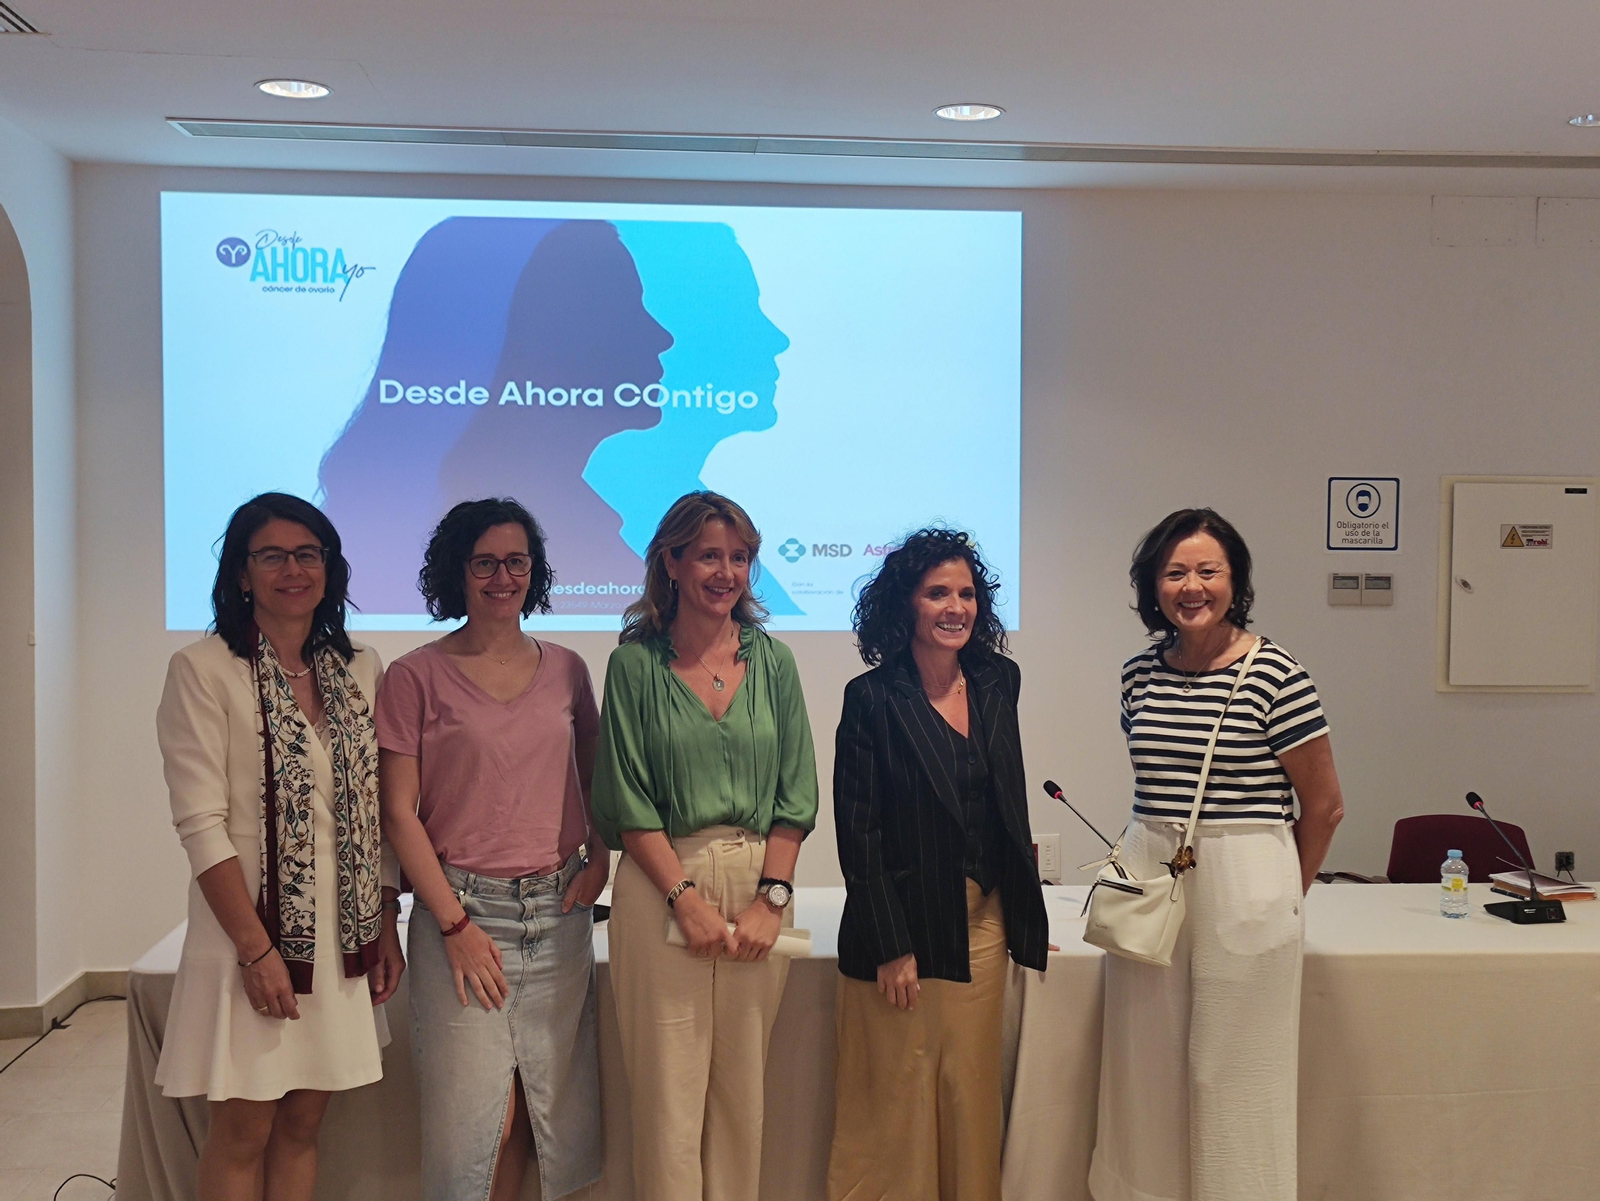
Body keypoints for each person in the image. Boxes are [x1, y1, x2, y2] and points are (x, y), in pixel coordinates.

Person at [1088, 508, 1345, 1201]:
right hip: (1151, 862)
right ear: (1154, 585)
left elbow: (1323, 805)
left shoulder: (1276, 674)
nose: (1191, 586)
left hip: (1248, 871)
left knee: (1234, 1070)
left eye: (1208, 571)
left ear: (1235, 581)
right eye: (1175, 572)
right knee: (1143, 1060)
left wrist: (1286, 888)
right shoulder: (1138, 672)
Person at [155, 492, 403, 1201]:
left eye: (308, 553)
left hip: (341, 940)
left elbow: (380, 812)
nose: (292, 568)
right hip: (251, 939)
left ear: (329, 568)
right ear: (241, 573)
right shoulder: (203, 670)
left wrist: (384, 919)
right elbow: (200, 823)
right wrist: (256, 949)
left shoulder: (360, 666)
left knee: (301, 1123)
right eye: (272, 555)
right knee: (243, 1133)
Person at [376, 497, 609, 1201]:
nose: (502, 576)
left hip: (556, 915)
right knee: (473, 1125)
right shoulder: (414, 675)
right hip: (462, 916)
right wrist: (453, 924)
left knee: (542, 1120)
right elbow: (398, 811)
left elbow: (597, 780)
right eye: (485, 562)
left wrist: (601, 858)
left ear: (533, 572)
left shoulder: (568, 668)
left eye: (516, 561)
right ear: (459, 571)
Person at [592, 490, 819, 1201]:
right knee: (667, 1097)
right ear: (673, 560)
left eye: (740, 557)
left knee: (740, 1097)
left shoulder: (775, 663)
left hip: (757, 881)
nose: (726, 571)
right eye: (710, 555)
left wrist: (771, 899)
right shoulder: (634, 666)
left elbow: (796, 792)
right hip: (662, 880)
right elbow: (627, 800)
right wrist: (683, 897)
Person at [826, 527, 1049, 1201]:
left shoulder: (997, 680)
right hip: (902, 932)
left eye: (966, 592)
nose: (956, 606)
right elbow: (857, 833)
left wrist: (1024, 916)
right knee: (894, 1108)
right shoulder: (871, 698)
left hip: (981, 924)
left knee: (971, 1102)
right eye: (936, 593)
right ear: (905, 605)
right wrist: (893, 947)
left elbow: (1004, 805)